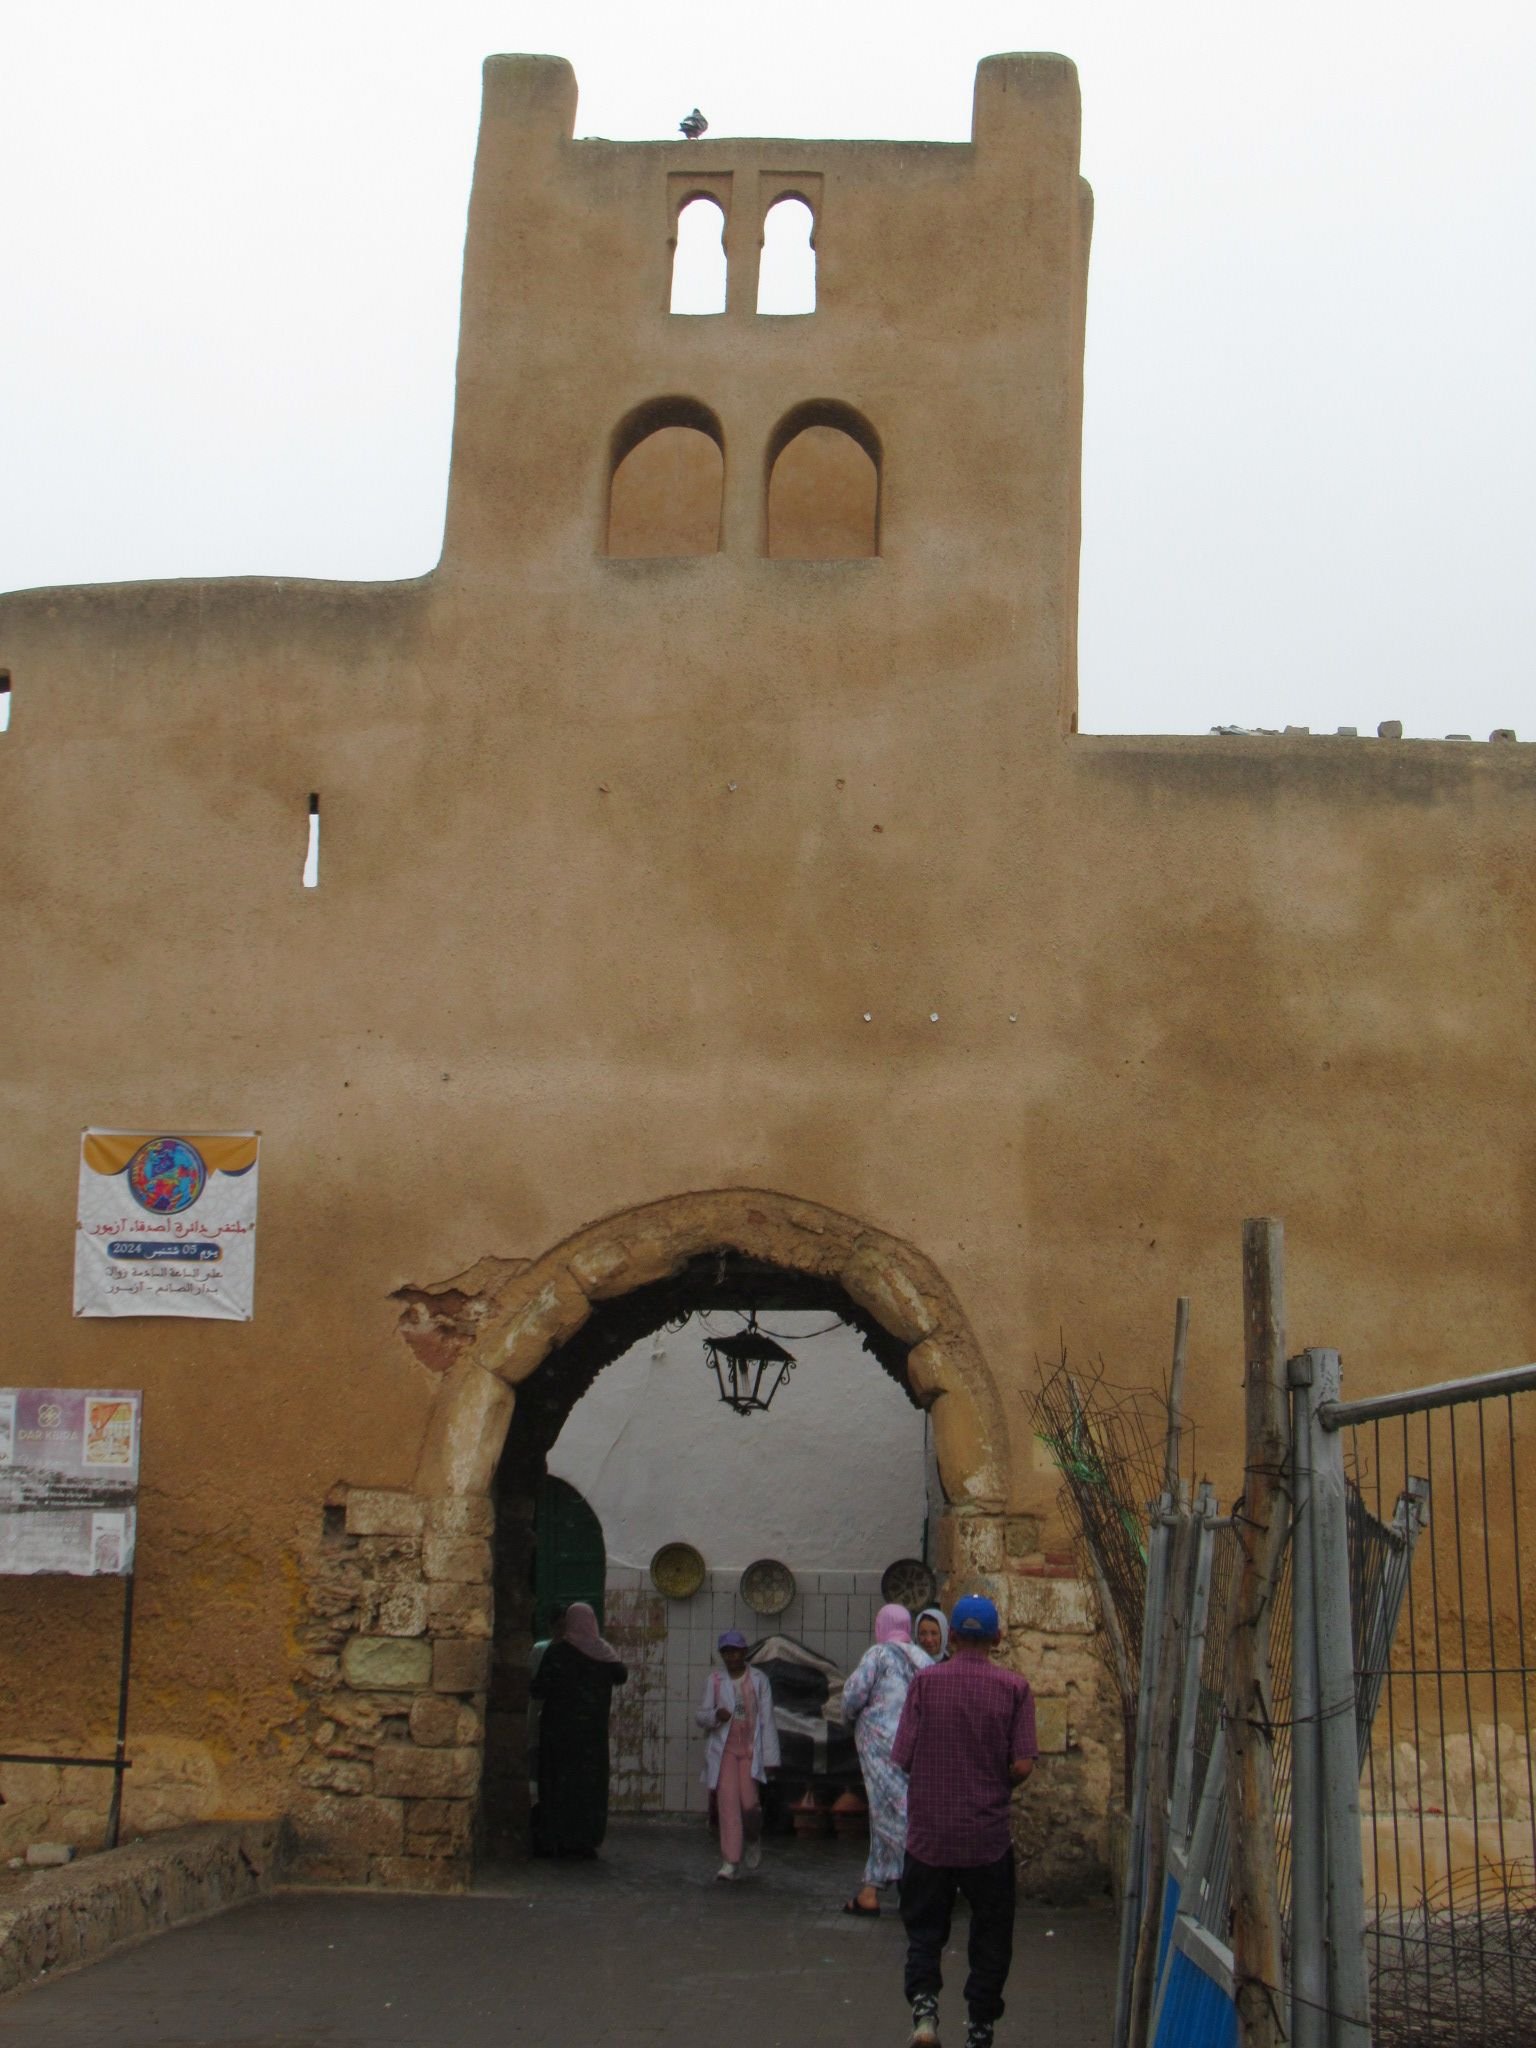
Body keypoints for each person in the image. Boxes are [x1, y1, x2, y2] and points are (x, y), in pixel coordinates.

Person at [892, 1593, 1037, 2048]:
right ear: (997, 1638)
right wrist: (993, 1786)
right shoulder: (1015, 1689)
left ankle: (925, 2013)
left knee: (924, 1928)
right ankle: (979, 2027)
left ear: (951, 1636)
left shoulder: (925, 1684)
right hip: (986, 1838)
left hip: (929, 1836)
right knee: (991, 1933)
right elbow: (1022, 1766)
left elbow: (901, 1756)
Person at [840, 1602, 932, 1914]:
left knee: (893, 1814)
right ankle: (870, 1890)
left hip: (880, 1750)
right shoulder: (924, 1659)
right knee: (887, 1812)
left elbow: (852, 1696)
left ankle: (916, 1880)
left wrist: (848, 1719)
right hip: (916, 1749)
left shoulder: (877, 1655)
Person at [529, 1599, 627, 1857]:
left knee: (557, 1784)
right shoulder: (604, 1656)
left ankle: (557, 1837)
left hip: (558, 1734)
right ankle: (586, 1839)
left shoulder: (557, 1653)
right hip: (591, 1738)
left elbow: (538, 1688)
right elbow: (622, 1675)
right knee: (589, 1788)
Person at [696, 1629, 779, 1880]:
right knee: (728, 1803)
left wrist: (771, 1758)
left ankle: (753, 1838)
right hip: (725, 1752)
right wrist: (715, 1716)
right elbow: (701, 1716)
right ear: (722, 1655)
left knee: (749, 1804)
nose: (731, 1656)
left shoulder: (758, 1680)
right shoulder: (715, 1681)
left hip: (750, 1751)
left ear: (744, 1652)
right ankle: (730, 1861)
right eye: (726, 1652)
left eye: (736, 1651)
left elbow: (767, 1720)